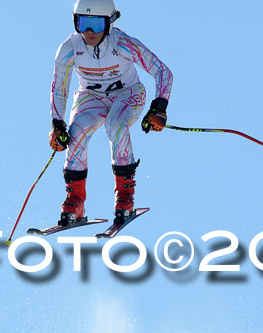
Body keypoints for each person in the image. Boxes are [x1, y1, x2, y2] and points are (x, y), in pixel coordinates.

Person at [49, 0, 173, 226]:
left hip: (127, 95)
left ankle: (125, 196)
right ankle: (75, 199)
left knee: (115, 125)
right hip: (91, 97)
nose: (89, 32)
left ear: (110, 22)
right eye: (83, 23)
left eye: (96, 25)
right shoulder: (69, 49)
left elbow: (162, 71)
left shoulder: (123, 44)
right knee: (75, 133)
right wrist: (57, 126)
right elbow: (59, 89)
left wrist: (159, 109)